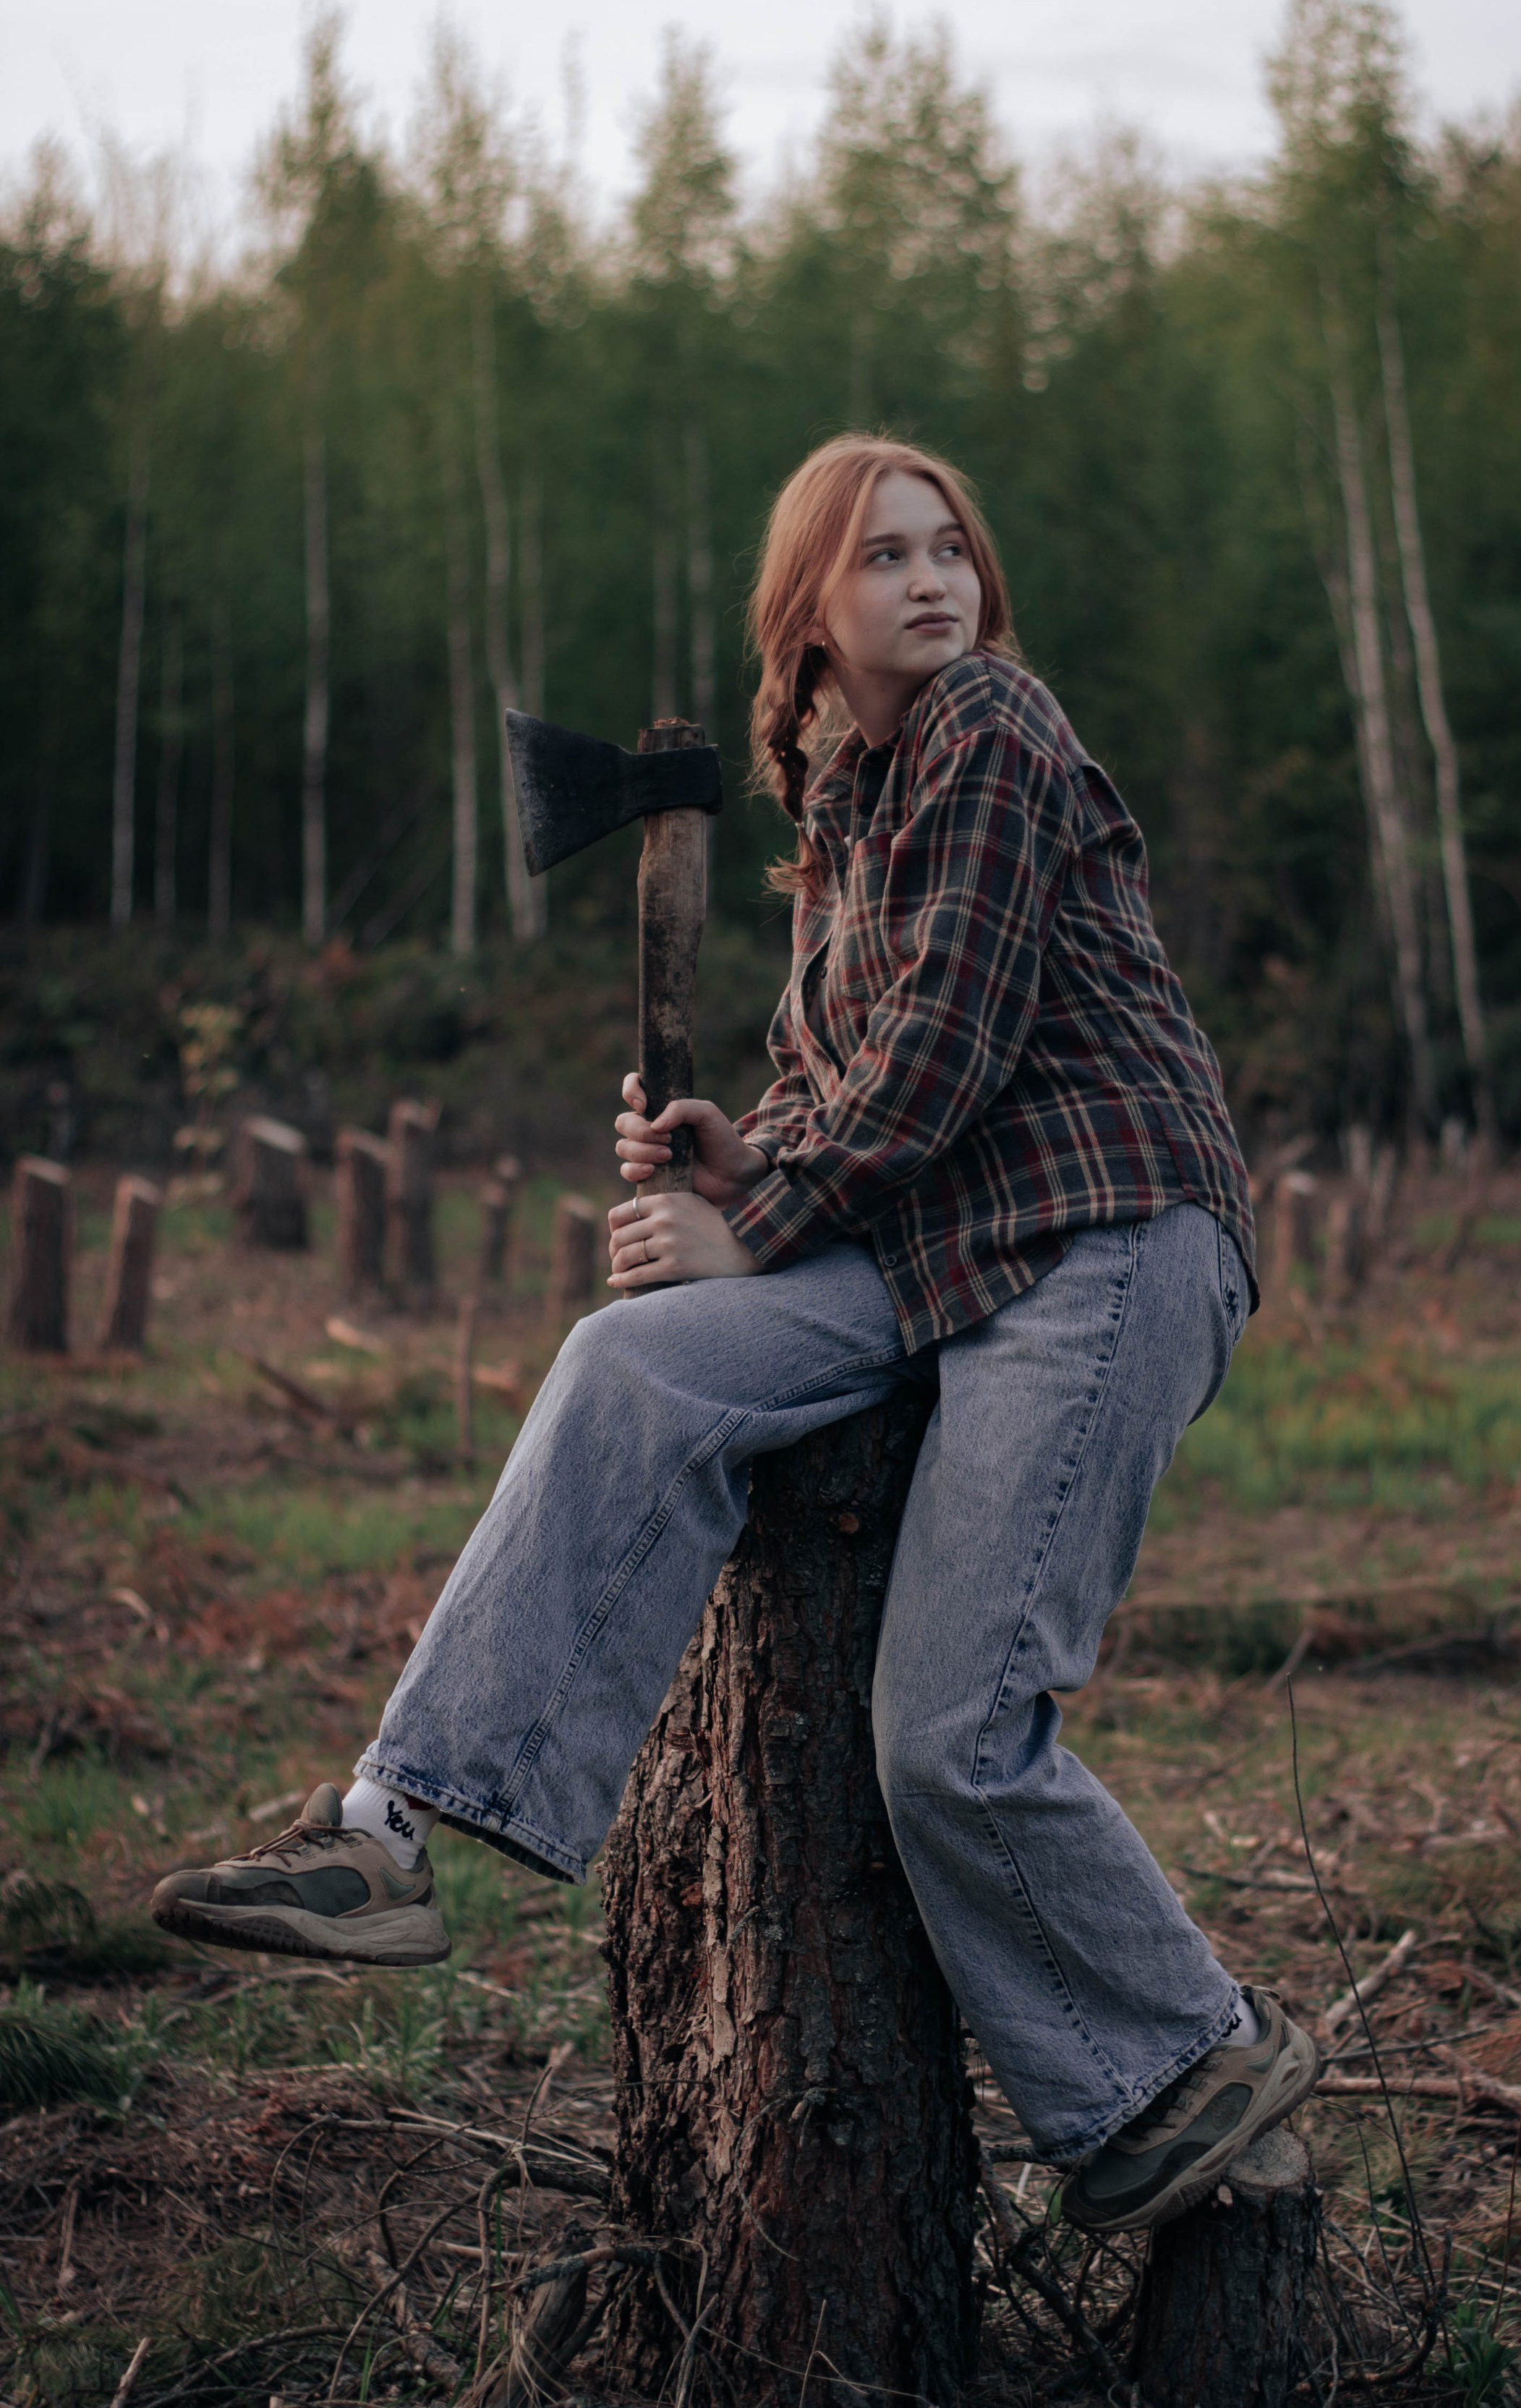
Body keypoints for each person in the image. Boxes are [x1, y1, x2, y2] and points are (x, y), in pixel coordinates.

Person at [150, 433, 1318, 2235]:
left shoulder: (994, 727)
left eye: (949, 550)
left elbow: (946, 1051)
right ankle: (389, 1828)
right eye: (882, 560)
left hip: (1101, 1232)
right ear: (807, 615)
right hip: (936, 1252)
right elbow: (843, 1087)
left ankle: (1185, 2060)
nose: (932, 582)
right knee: (628, 1362)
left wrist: (750, 1221)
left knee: (943, 1732)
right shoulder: (844, 814)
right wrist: (738, 1150)